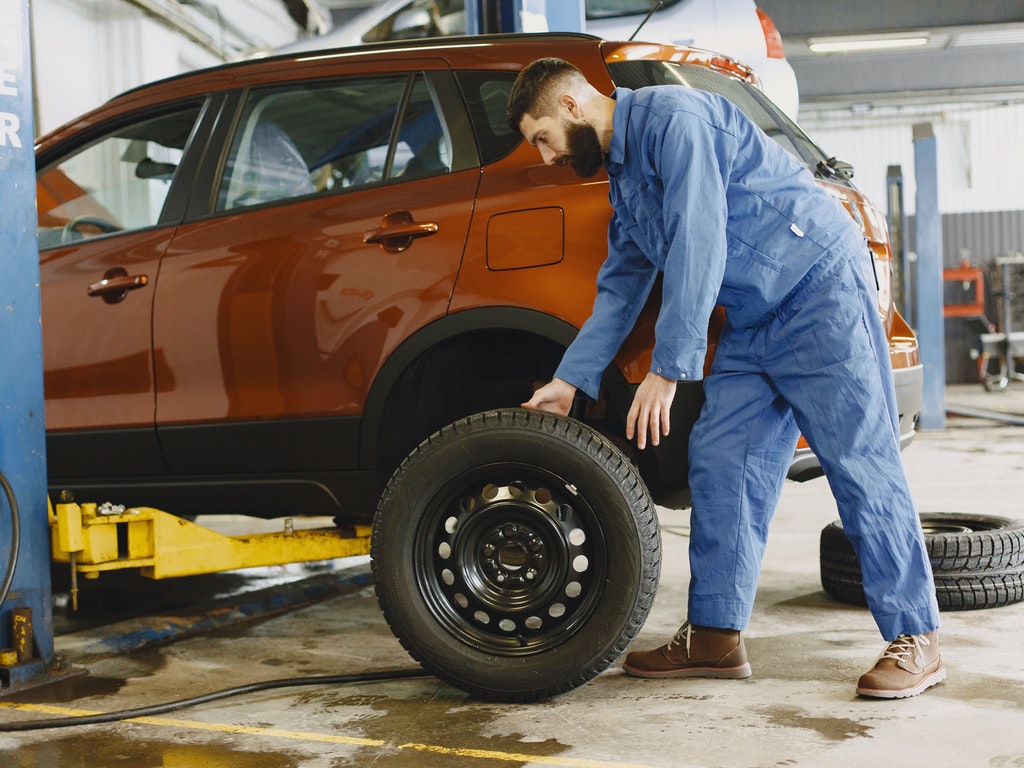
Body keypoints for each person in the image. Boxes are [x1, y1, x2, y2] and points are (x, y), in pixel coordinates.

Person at [506, 57, 945, 699]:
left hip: (817, 292)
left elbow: (700, 238)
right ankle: (715, 635)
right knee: (721, 460)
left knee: (859, 461)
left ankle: (917, 637)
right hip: (752, 317)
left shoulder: (675, 119)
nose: (547, 157)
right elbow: (623, 283)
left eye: (543, 137)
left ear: (572, 106)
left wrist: (669, 369)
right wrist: (570, 379)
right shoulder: (624, 178)